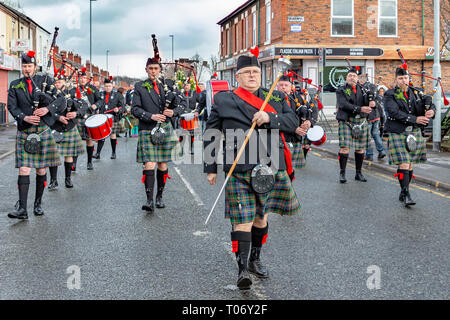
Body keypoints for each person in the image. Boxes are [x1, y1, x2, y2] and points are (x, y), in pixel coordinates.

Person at [204, 53, 301, 290]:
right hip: (239, 167)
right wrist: (210, 167)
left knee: (261, 217)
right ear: (237, 76)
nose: (251, 76)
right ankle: (242, 269)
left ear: (261, 74)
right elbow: (212, 132)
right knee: (242, 220)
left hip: (270, 165)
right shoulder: (224, 100)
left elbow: (293, 122)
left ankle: (255, 258)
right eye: (246, 72)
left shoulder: (276, 97)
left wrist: (269, 116)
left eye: (255, 72)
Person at [7, 51, 61, 219]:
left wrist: (47, 109)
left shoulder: (45, 81)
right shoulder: (15, 84)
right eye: (24, 66)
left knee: (41, 169)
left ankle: (38, 204)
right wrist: (24, 117)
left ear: (35, 67)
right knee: (24, 168)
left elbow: (61, 101)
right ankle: (22, 209)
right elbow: (11, 106)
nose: (27, 69)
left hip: (43, 130)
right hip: (25, 129)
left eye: (29, 66)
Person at [131, 57, 182, 213]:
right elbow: (135, 109)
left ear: (160, 70)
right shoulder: (140, 86)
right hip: (147, 128)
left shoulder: (168, 86)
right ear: (146, 69)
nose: (153, 71)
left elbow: (182, 104)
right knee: (149, 163)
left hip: (165, 128)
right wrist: (150, 116)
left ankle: (159, 197)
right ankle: (149, 200)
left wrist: (173, 112)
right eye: (151, 68)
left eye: (156, 68)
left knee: (162, 164)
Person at [384, 67, 435, 207]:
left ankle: (403, 190)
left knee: (411, 163)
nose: (403, 80)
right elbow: (394, 113)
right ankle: (406, 193)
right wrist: (416, 119)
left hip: (414, 132)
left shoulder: (416, 92)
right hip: (398, 132)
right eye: (400, 78)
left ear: (409, 79)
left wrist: (431, 110)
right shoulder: (390, 94)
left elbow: (429, 102)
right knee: (404, 163)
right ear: (395, 79)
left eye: (405, 78)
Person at [48, 67, 87, 190]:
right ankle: (53, 181)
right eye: (55, 82)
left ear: (64, 82)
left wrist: (76, 114)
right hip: (55, 127)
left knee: (69, 155)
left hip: (70, 127)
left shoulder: (73, 93)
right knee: (53, 156)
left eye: (59, 82)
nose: (56, 84)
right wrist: (58, 117)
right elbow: (47, 111)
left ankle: (68, 179)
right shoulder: (50, 95)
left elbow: (84, 105)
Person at [335, 66, 374, 183]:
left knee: (360, 149)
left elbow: (370, 102)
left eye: (354, 76)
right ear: (346, 78)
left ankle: (358, 173)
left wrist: (373, 102)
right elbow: (343, 104)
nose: (352, 78)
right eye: (350, 76)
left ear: (357, 78)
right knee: (344, 147)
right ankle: (342, 173)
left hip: (361, 121)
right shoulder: (341, 89)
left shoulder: (364, 90)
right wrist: (360, 108)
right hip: (346, 121)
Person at [70, 68, 104, 171]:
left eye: (84, 77)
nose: (83, 79)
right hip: (78, 118)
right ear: (78, 78)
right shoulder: (73, 90)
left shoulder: (93, 88)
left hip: (90, 117)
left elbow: (100, 100)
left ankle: (89, 162)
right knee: (76, 141)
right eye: (81, 77)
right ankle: (74, 164)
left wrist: (95, 105)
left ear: (87, 78)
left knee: (89, 140)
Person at [94, 77, 126, 159]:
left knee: (113, 135)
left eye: (109, 86)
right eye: (106, 86)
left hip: (113, 118)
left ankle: (113, 153)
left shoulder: (118, 95)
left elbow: (122, 107)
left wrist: (117, 110)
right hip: (102, 118)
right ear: (104, 86)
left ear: (112, 86)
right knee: (102, 136)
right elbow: (96, 103)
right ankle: (97, 154)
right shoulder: (100, 94)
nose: (108, 88)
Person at [360, 76, 387, 161]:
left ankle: (369, 154)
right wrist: (382, 121)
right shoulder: (374, 90)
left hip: (368, 117)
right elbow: (379, 105)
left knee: (367, 136)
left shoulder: (363, 90)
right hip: (377, 116)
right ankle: (381, 151)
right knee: (375, 134)